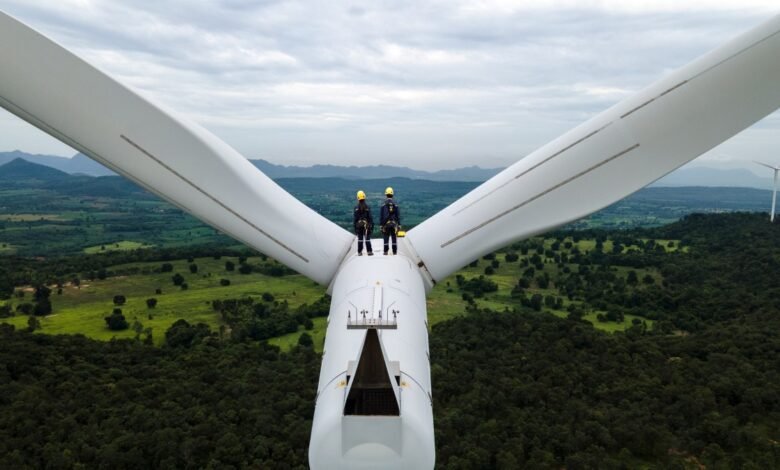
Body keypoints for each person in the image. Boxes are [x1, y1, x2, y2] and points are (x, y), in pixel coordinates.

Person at [380, 186, 401, 255]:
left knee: (386, 237)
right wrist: (399, 224)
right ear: (392, 194)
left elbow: (381, 216)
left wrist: (381, 225)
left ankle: (385, 251)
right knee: (394, 237)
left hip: (386, 224)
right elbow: (398, 215)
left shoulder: (383, 205)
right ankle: (394, 251)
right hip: (394, 224)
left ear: (386, 194)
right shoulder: (395, 204)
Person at [353, 190, 374, 256]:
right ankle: (369, 251)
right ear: (364, 197)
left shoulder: (356, 208)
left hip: (359, 226)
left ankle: (359, 252)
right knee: (367, 238)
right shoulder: (367, 207)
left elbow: (355, 219)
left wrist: (355, 228)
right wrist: (371, 226)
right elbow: (370, 218)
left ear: (358, 198)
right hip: (366, 225)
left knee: (360, 239)